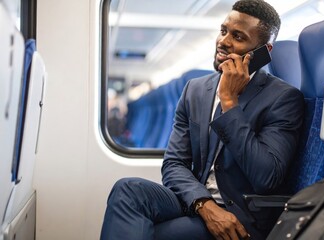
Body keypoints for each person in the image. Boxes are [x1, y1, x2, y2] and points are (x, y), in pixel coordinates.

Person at [100, 0, 304, 239]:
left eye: (238, 37)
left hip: (240, 215)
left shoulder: (283, 99)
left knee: (150, 233)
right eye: (223, 31)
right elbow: (174, 163)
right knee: (127, 190)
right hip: (196, 201)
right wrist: (204, 205)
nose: (223, 41)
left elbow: (266, 177)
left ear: (263, 52)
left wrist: (229, 103)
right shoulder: (195, 90)